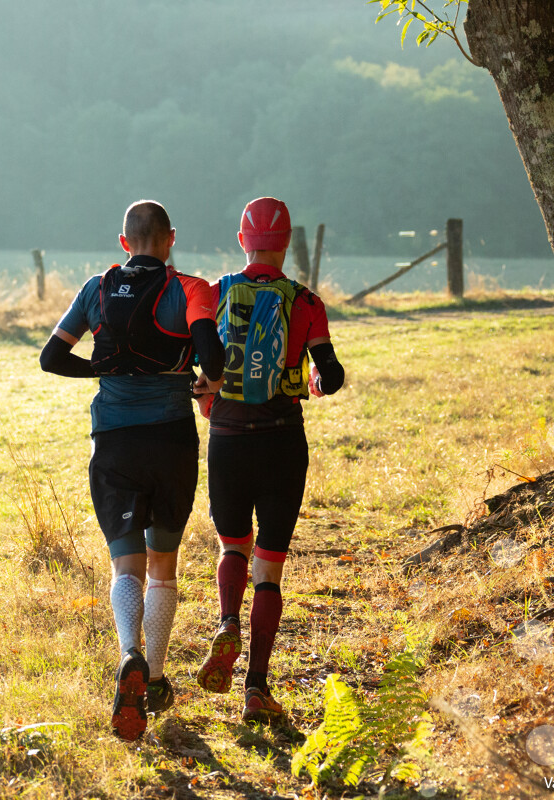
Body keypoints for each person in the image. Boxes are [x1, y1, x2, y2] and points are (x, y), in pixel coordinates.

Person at [39, 200, 225, 742]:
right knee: (164, 565)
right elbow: (211, 357)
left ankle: (129, 656)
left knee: (127, 566)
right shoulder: (191, 288)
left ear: (124, 243)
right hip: (170, 440)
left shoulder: (97, 288)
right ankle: (159, 676)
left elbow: (51, 358)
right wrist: (207, 383)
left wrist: (99, 368)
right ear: (170, 240)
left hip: (113, 441)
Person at [193, 196, 345, 724]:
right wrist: (317, 380)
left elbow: (196, 361)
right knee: (270, 568)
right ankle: (257, 686)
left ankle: (228, 623)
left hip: (228, 440)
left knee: (233, 545)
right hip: (283, 443)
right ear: (286, 244)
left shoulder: (215, 293)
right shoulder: (305, 301)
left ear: (243, 240)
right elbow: (332, 373)